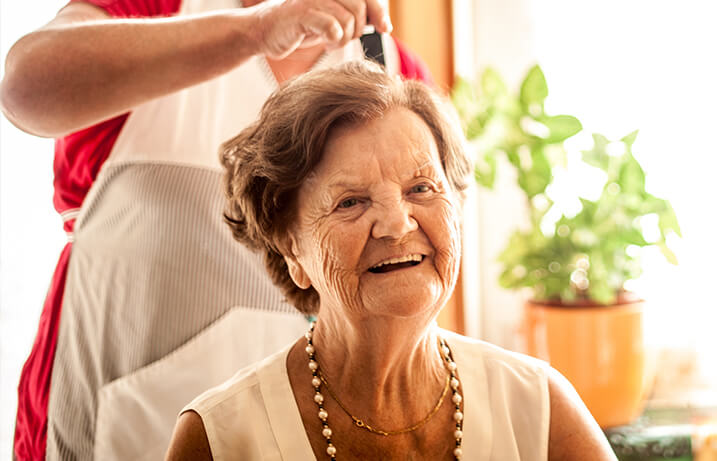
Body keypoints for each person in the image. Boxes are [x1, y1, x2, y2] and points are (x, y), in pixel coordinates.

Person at [0, 0, 447, 459]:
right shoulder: (157, 4)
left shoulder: (394, 77)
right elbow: (26, 88)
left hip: (287, 429)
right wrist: (259, 29)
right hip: (112, 406)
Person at [163, 60, 617, 461]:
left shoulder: (540, 410)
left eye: (420, 189)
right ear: (290, 247)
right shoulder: (218, 440)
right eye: (351, 202)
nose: (397, 226)